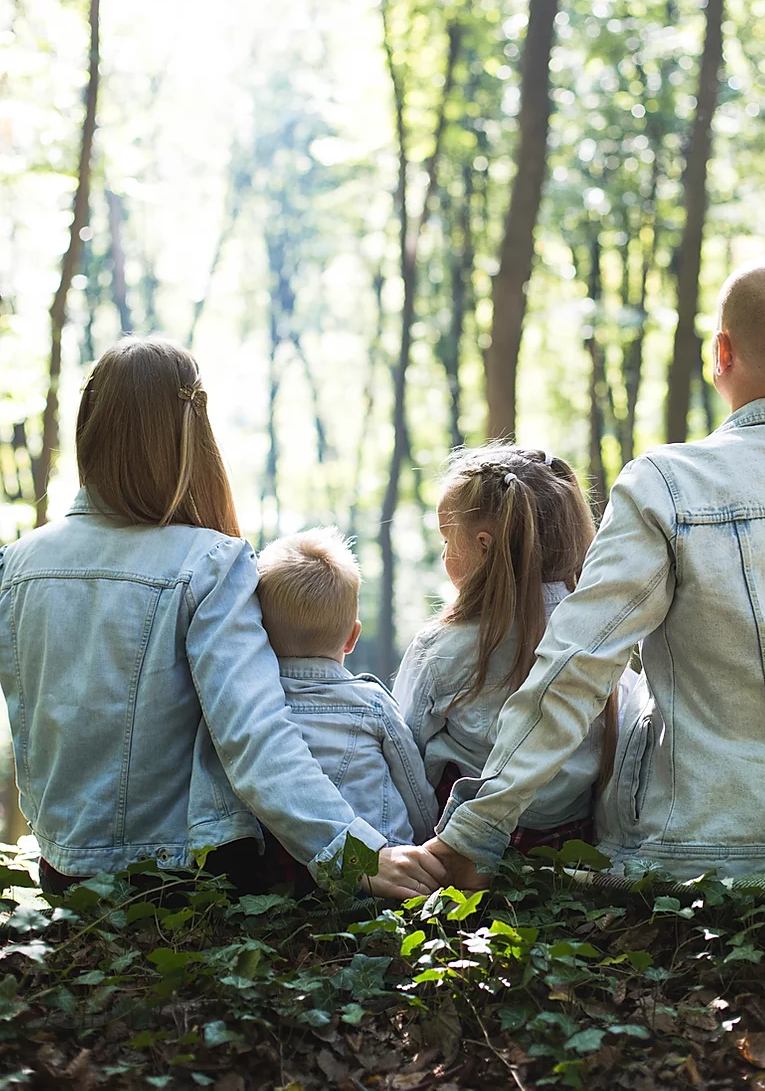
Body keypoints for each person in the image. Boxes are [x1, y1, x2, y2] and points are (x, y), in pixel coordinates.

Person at [425, 256, 765, 885]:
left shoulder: (668, 485)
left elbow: (576, 665)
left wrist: (477, 830)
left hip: (695, 853)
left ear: (721, 352)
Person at [0, 337, 445, 900]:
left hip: (63, 875)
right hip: (180, 882)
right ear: (191, 436)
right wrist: (355, 852)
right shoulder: (210, 563)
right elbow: (254, 735)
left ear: (89, 424)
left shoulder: (15, 564)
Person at [393, 445, 636, 851]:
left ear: (484, 546)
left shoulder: (440, 647)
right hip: (572, 848)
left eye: (447, 539)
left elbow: (405, 755)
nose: (443, 553)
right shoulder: (603, 640)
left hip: (459, 849)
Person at [255, 527, 437, 858]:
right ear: (352, 637)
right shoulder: (373, 704)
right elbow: (415, 793)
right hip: (383, 868)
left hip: (287, 875)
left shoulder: (251, 707)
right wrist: (426, 839)